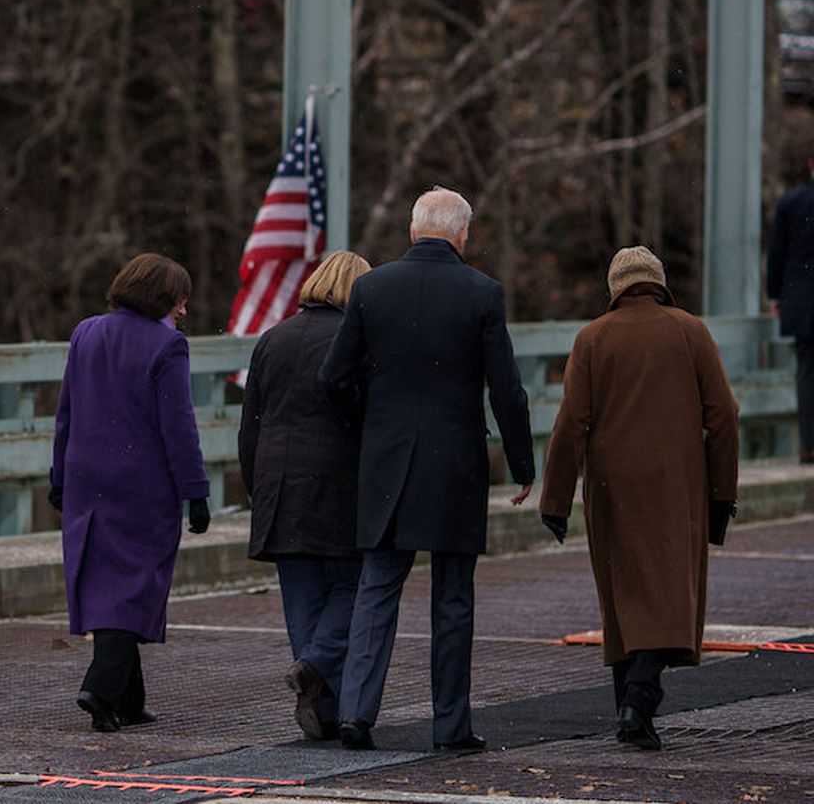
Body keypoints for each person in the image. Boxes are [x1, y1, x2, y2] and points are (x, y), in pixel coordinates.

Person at [318, 188, 534, 752]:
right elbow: (506, 389)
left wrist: (368, 427)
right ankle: (450, 725)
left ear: (413, 231)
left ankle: (356, 713)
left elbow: (332, 377)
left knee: (377, 586)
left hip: (385, 459)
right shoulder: (483, 293)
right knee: (453, 597)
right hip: (455, 463)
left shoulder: (369, 288)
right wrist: (522, 462)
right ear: (462, 235)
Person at [539, 246, 739, 752]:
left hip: (610, 483)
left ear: (615, 289)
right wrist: (722, 494)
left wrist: (556, 499)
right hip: (678, 481)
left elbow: (571, 424)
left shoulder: (592, 338)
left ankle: (631, 709)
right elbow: (723, 414)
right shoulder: (689, 330)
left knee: (622, 592)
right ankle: (640, 700)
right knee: (671, 589)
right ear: (659, 283)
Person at [48, 253, 212, 732]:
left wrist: (59, 476)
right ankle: (100, 687)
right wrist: (195, 491)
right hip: (142, 483)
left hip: (86, 477)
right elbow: (178, 427)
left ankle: (128, 698)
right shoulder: (167, 346)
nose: (183, 310)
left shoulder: (86, 332)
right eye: (181, 300)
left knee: (105, 582)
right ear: (164, 299)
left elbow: (67, 412)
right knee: (136, 583)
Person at [238, 249, 371, 742]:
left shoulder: (272, 339)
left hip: (277, 483)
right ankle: (314, 667)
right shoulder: (356, 339)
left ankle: (323, 707)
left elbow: (250, 423)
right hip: (339, 485)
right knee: (354, 587)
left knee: (303, 600)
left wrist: (258, 486)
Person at [766, 158, 814, 464]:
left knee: (807, 373)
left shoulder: (792, 202)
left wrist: (774, 296)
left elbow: (777, 254)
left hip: (804, 303)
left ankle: (809, 444)